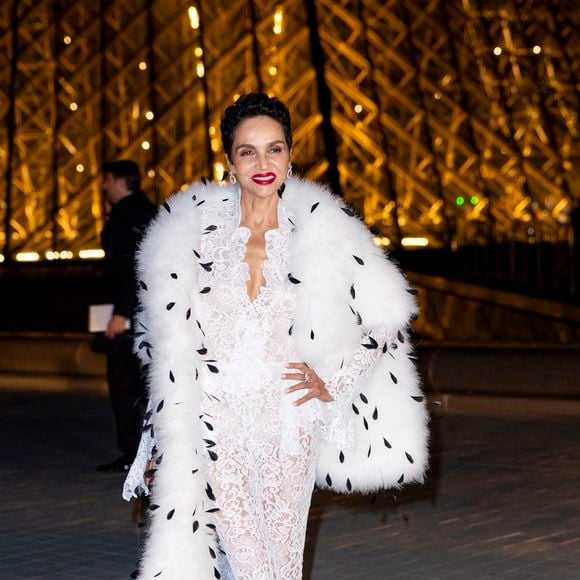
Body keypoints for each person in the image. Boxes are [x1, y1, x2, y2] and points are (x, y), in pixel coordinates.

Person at [123, 93, 429, 579]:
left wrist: (334, 381)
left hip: (289, 424)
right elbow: (170, 345)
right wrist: (161, 435)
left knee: (282, 565)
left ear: (290, 154)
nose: (263, 163)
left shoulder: (320, 234)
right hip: (216, 425)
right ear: (229, 161)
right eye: (248, 151)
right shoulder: (195, 237)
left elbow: (387, 315)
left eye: (275, 149)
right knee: (248, 564)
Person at [97, 160, 157, 473]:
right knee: (131, 384)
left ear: (118, 181)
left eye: (106, 180)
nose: (104, 186)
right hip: (135, 310)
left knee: (125, 383)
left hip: (132, 314)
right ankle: (135, 452)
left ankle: (136, 453)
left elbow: (134, 268)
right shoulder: (137, 211)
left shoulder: (131, 214)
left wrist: (121, 314)